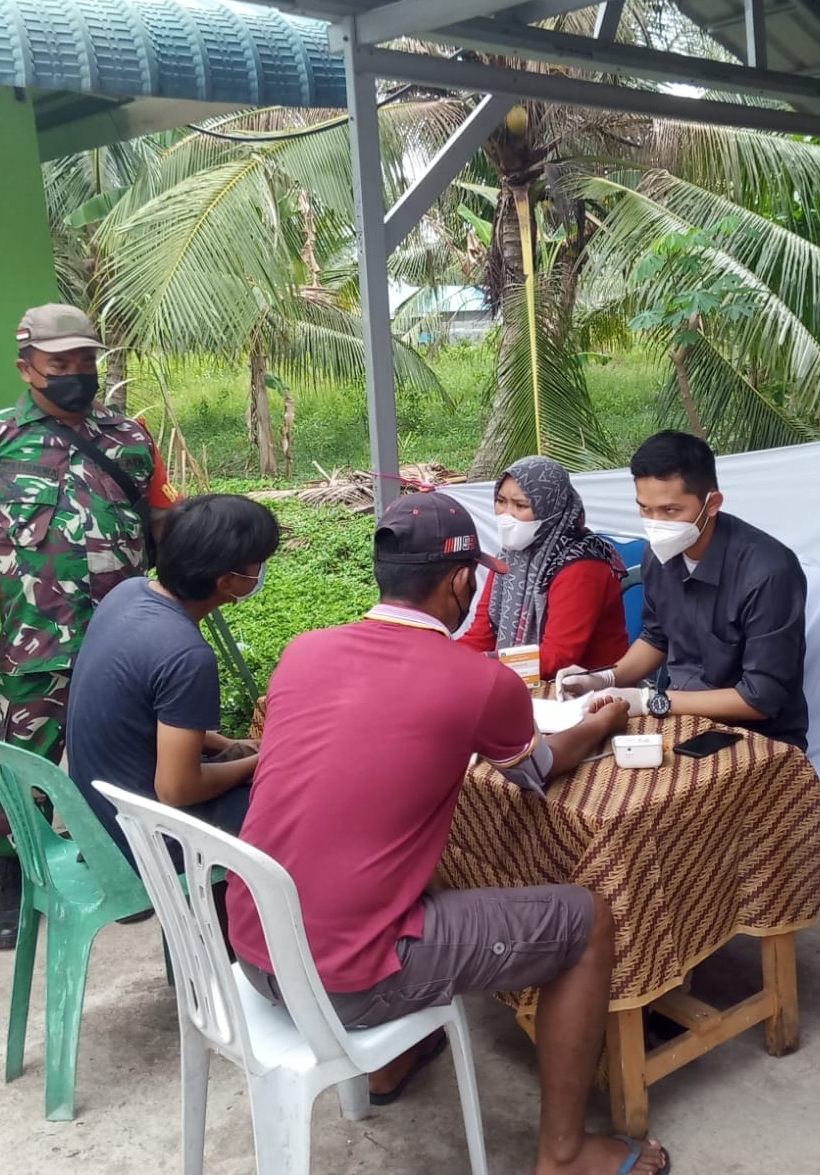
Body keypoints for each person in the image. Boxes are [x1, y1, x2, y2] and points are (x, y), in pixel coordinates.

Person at [226, 492, 669, 1175]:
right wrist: (601, 723)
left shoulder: (305, 651)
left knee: (390, 856)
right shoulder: (476, 678)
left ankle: (390, 1061)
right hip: (340, 979)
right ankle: (566, 1153)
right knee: (587, 920)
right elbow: (540, 768)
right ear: (463, 581)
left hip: (254, 951)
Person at [0, 303, 180, 950]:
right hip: (35, 641)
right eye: (60, 365)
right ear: (27, 369)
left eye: (85, 362)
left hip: (130, 638)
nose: (76, 374)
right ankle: (12, 879)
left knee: (136, 757)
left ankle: (133, 870)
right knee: (23, 765)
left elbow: (165, 528)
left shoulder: (129, 438)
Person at [557, 430, 808, 751]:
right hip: (678, 719)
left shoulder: (768, 573)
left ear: (712, 503)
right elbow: (656, 638)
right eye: (645, 509)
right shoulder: (658, 557)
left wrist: (652, 701)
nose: (656, 523)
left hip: (758, 738)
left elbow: (761, 698)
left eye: (670, 511)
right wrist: (604, 679)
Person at [67, 494, 280, 866]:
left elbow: (147, 714)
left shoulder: (128, 592)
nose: (261, 571)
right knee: (293, 808)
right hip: (144, 841)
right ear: (227, 581)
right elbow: (177, 789)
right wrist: (265, 761)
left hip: (98, 817)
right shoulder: (186, 655)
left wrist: (228, 745)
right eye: (258, 563)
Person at [459, 455, 630, 677]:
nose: (507, 514)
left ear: (551, 508)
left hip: (591, 688)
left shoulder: (582, 564)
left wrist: (481, 664)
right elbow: (482, 634)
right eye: (501, 501)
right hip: (523, 679)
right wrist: (443, 656)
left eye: (521, 505)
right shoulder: (509, 557)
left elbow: (559, 657)